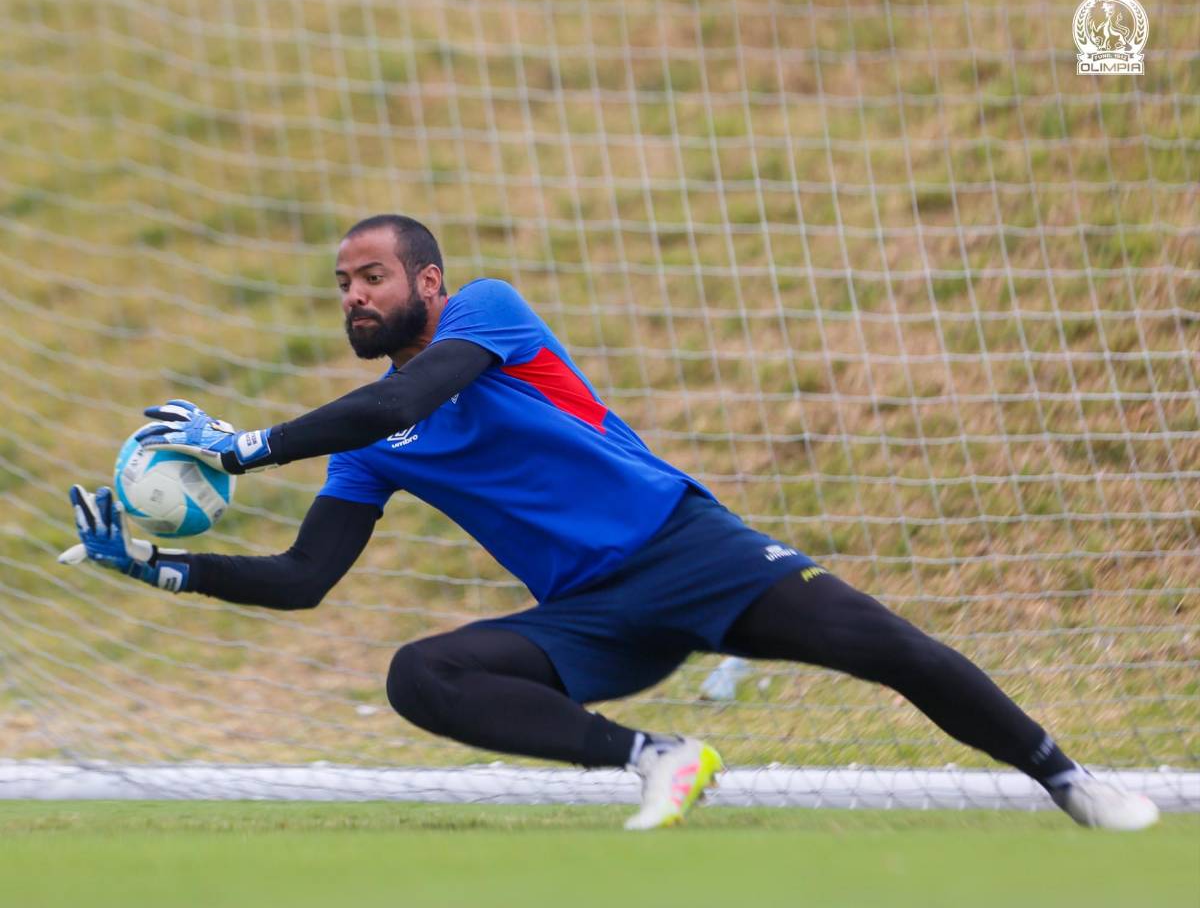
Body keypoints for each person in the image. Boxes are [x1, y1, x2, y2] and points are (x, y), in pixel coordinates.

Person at [59, 214, 1158, 831]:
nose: (354, 295)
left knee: (886, 647)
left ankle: (1066, 777)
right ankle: (656, 757)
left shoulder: (487, 314)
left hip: (685, 547)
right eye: (343, 282)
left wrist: (244, 448)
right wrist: (160, 567)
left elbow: (404, 398)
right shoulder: (363, 444)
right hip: (590, 614)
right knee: (420, 676)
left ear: (428, 282)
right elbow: (305, 578)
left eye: (373, 276)